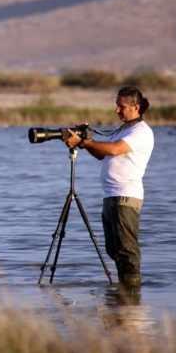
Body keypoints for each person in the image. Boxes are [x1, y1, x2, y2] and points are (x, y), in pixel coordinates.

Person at [63, 86, 154, 287]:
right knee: (114, 249)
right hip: (111, 197)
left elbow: (114, 150)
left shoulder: (141, 132)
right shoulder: (123, 129)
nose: (116, 110)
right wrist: (82, 142)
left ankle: (132, 296)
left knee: (127, 250)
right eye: (116, 105)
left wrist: (85, 143)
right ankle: (122, 294)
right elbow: (102, 154)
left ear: (136, 107)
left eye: (121, 106)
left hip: (126, 197)